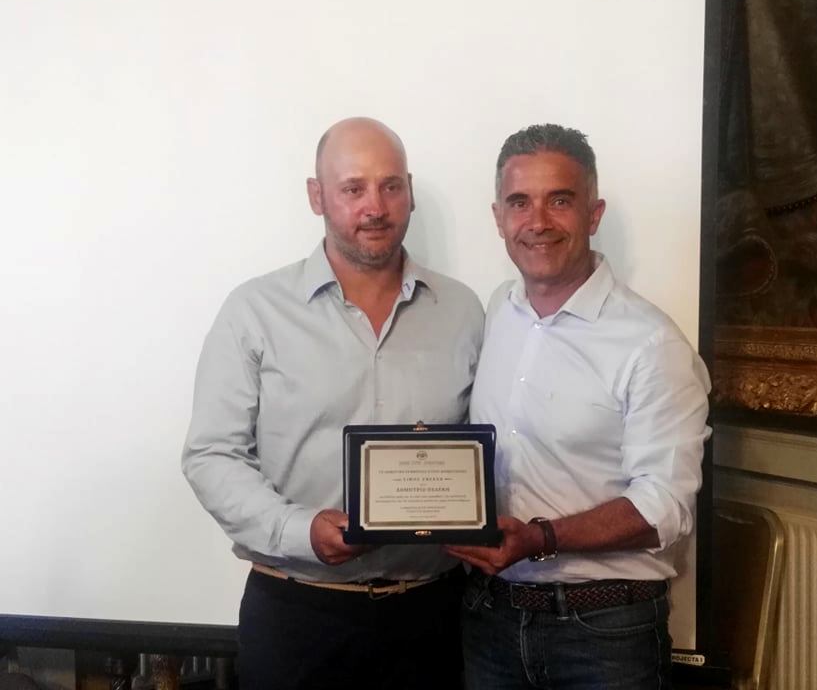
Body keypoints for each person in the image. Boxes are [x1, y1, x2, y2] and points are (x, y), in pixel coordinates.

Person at [182, 117, 483, 690]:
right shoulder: (255, 311)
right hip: (297, 616)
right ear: (316, 196)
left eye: (390, 186)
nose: (376, 207)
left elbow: (488, 448)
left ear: (410, 192)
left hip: (434, 616)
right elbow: (212, 456)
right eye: (353, 188)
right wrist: (301, 531)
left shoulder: (463, 311)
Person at [446, 123, 711, 689]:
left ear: (594, 214)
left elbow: (665, 507)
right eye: (520, 202)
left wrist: (541, 537)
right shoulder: (498, 311)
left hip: (603, 635)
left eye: (560, 200)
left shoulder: (650, 343)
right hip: (490, 620)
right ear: (498, 217)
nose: (538, 221)